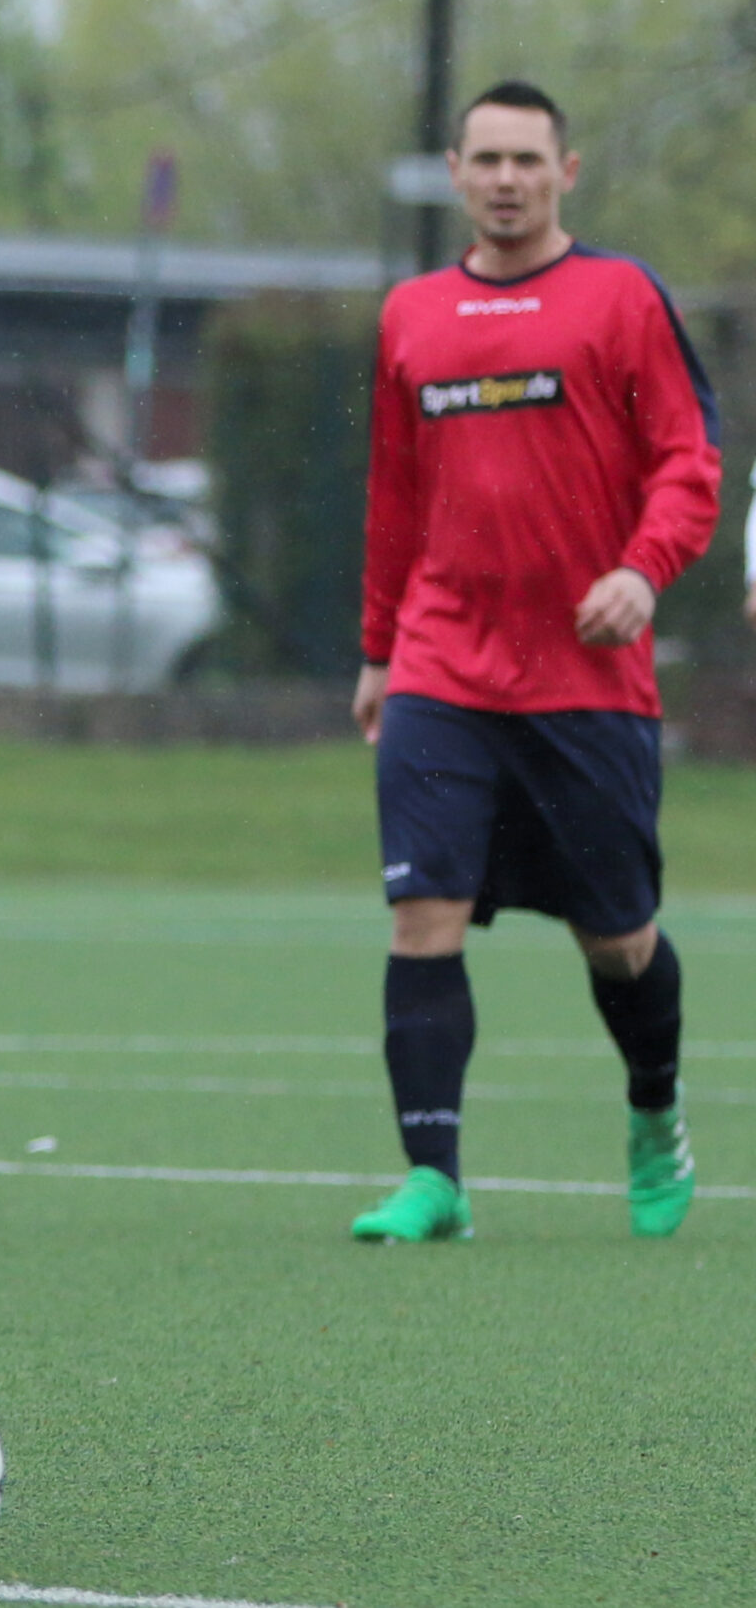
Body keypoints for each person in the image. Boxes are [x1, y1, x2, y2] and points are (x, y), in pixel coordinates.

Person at [351, 80, 719, 1244]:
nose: (506, 179)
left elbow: (687, 464)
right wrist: (375, 650)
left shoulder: (619, 299)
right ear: (454, 172)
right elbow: (394, 498)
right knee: (422, 921)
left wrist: (643, 570)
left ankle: (653, 1111)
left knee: (617, 937)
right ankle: (434, 1177)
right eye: (486, 159)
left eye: (527, 159)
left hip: (586, 682)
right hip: (438, 671)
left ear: (567, 171)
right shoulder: (409, 314)